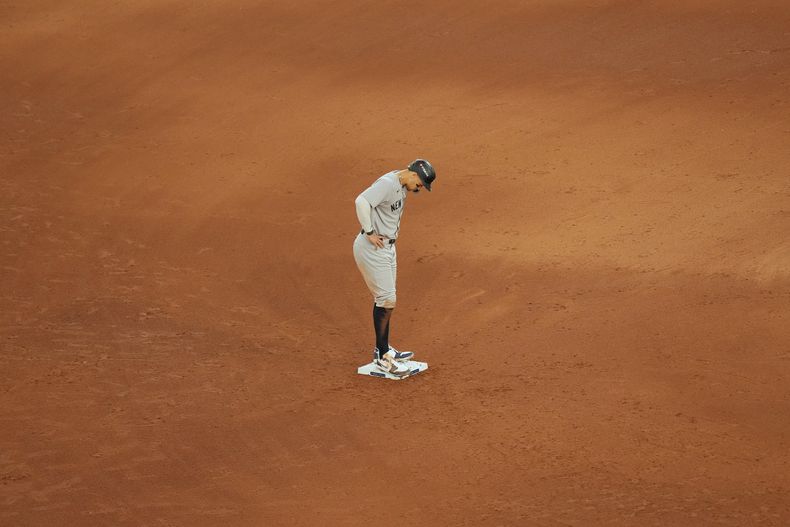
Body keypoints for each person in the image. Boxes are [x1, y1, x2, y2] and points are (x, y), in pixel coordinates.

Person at [353, 159, 437, 377]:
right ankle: (383, 358)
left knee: (387, 299)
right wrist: (369, 231)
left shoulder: (400, 183)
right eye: (420, 184)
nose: (419, 189)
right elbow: (361, 201)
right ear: (414, 175)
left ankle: (383, 349)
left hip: (388, 248)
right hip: (373, 248)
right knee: (386, 299)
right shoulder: (388, 183)